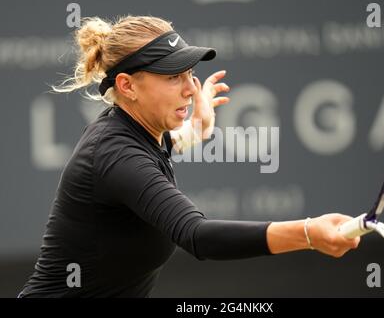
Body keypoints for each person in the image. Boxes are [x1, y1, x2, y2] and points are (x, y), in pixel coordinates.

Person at [19, 15, 360, 298]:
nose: (188, 88)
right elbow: (199, 236)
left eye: (188, 74)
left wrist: (195, 130)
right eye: (171, 77)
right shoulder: (115, 153)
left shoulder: (137, 131)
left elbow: (160, 149)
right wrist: (308, 233)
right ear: (127, 86)